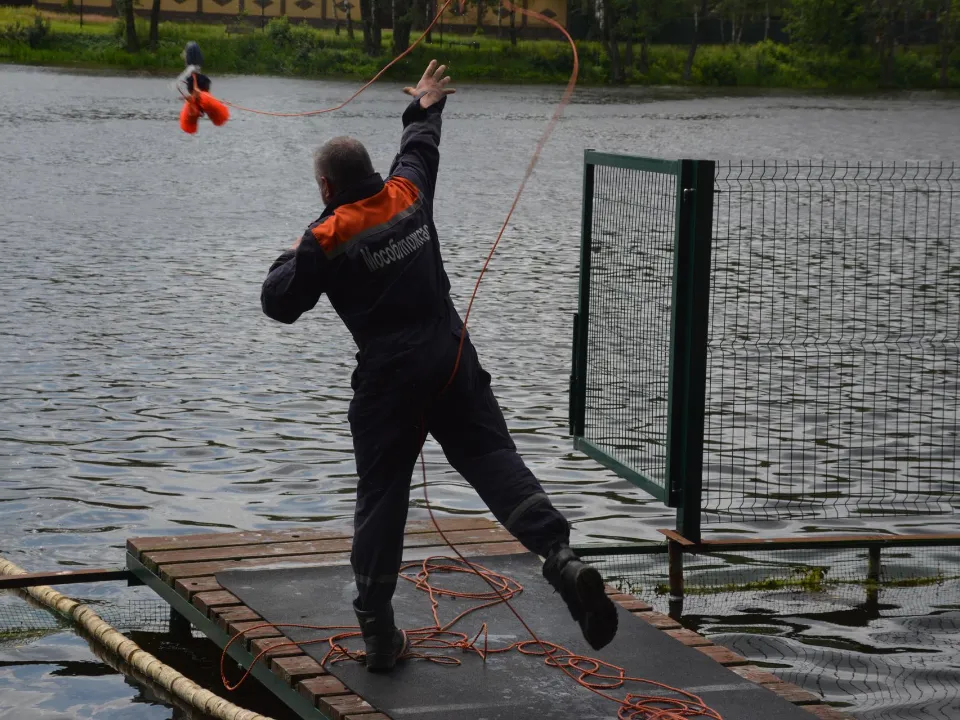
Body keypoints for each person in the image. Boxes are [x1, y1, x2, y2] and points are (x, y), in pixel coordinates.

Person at [260, 60, 618, 672]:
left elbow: (279, 304)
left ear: (324, 186)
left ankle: (379, 635)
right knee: (493, 460)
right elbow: (419, 146)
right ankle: (561, 559)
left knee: (382, 496)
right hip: (451, 359)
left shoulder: (326, 237)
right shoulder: (407, 192)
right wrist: (425, 103)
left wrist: (290, 251)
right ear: (371, 173)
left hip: (388, 380)